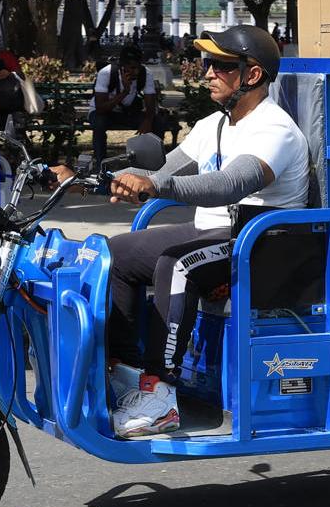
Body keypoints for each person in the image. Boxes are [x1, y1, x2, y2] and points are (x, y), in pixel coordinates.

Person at [95, 25, 308, 438]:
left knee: (177, 264)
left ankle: (161, 395)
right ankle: (128, 375)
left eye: (221, 66)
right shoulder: (213, 124)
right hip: (216, 233)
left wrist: (155, 185)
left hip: (261, 243)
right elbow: (163, 170)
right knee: (116, 253)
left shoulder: (274, 129)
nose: (208, 73)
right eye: (207, 63)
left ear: (252, 75)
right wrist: (91, 178)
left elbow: (231, 184)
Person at [89, 46, 175, 165]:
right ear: (122, 66)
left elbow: (150, 102)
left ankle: (153, 163)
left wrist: (148, 120)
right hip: (104, 113)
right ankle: (100, 163)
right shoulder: (106, 73)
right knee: (99, 123)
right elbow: (100, 108)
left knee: (157, 122)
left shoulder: (145, 74)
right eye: (132, 68)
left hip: (127, 113)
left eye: (138, 67)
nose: (136, 72)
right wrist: (125, 92)